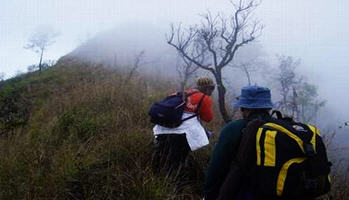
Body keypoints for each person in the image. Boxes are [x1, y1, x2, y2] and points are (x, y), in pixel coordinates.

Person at [204, 85, 273, 200]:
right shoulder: (282, 129)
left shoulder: (234, 128)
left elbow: (216, 168)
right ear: (268, 107)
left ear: (244, 108)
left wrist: (209, 194)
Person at [152, 77, 215, 174]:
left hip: (163, 129)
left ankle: (155, 176)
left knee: (161, 157)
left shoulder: (182, 92)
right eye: (212, 88)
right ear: (207, 88)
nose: (212, 91)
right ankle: (172, 184)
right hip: (182, 134)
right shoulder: (204, 98)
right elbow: (208, 118)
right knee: (176, 162)